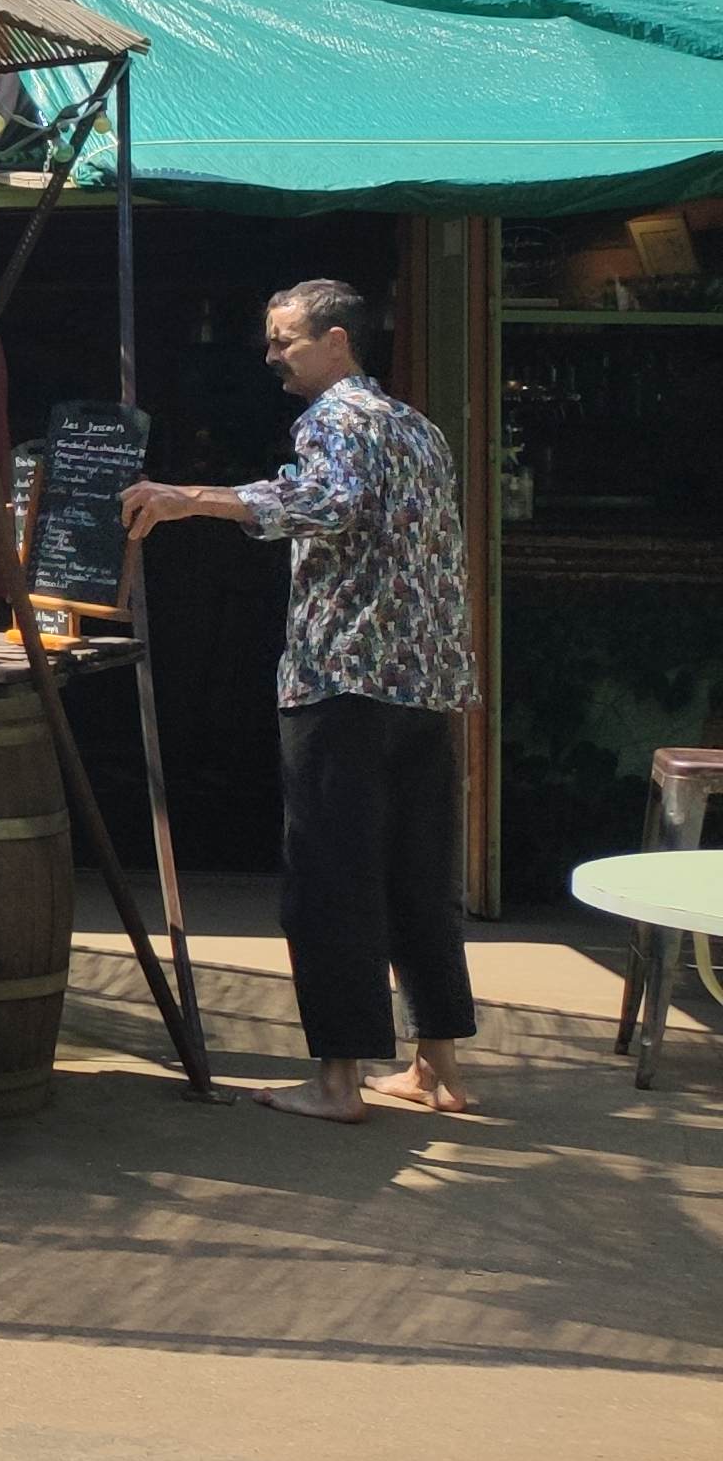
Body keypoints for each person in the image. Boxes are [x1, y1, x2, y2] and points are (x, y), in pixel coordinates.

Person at [121, 279, 479, 1122]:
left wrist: (191, 499)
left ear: (338, 342)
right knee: (418, 876)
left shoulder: (333, 419)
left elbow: (328, 501)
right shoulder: (419, 428)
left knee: (330, 879)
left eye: (286, 339)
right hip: (426, 684)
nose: (272, 354)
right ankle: (438, 1069)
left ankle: (337, 1082)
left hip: (342, 678)